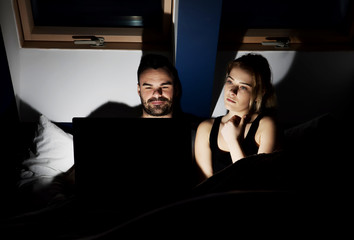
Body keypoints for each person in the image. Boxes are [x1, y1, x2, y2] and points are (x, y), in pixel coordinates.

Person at [194, 53, 281, 181]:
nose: (232, 91)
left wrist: (232, 141)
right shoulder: (206, 128)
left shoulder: (266, 125)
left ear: (260, 93)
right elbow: (204, 186)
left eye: (243, 87)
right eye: (230, 81)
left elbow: (254, 183)